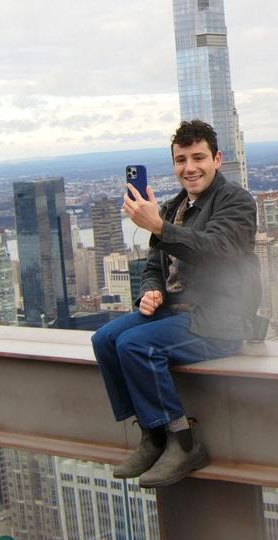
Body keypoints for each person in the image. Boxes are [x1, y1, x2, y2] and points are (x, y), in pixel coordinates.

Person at [91, 119, 260, 487]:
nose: (190, 167)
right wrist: (150, 292)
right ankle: (152, 436)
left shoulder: (237, 202)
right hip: (176, 311)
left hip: (219, 319)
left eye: (198, 157)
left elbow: (218, 251)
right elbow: (154, 266)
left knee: (135, 344)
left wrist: (160, 228)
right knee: (104, 340)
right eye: (181, 159)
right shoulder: (171, 208)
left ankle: (183, 442)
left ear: (217, 159)